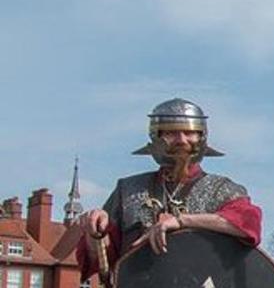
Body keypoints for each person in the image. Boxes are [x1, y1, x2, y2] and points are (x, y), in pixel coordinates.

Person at [76, 98, 262, 277]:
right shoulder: (128, 190)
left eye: (189, 133)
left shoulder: (222, 190)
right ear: (156, 137)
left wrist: (182, 221)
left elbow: (248, 225)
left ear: (202, 136)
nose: (181, 140)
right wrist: (95, 234)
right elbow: (103, 263)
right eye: (171, 133)